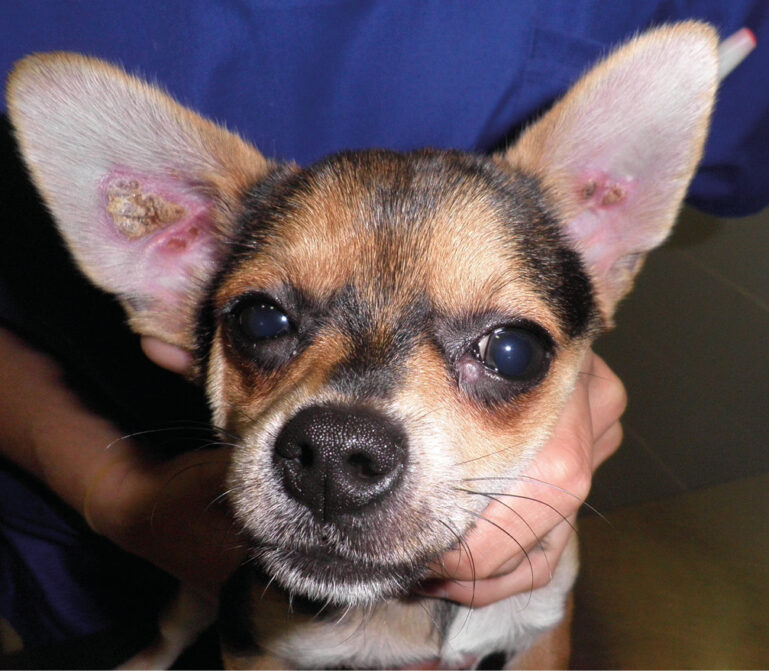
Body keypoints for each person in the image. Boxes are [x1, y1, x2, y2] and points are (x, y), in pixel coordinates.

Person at [0, 1, 766, 658]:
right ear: (180, 283)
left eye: (505, 348)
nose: (343, 447)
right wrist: (118, 493)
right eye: (266, 322)